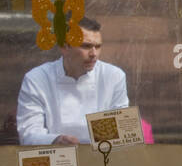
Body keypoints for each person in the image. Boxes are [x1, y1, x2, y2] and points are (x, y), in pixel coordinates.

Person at [17, 17, 128, 145]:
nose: (94, 54)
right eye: (86, 46)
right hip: (55, 158)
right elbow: (29, 134)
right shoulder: (37, 79)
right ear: (64, 47)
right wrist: (56, 139)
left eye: (98, 47)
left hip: (102, 158)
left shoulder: (113, 76)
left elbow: (121, 129)